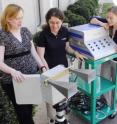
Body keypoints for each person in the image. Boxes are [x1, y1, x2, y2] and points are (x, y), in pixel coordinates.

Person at [36, 8, 85, 123]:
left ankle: (61, 118)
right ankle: (52, 119)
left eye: (57, 22)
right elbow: (40, 56)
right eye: (51, 22)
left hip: (63, 68)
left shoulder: (64, 31)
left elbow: (66, 47)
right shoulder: (42, 35)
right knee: (51, 97)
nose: (55, 25)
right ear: (47, 22)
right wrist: (48, 73)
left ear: (62, 21)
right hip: (49, 69)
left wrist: (76, 53)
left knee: (62, 96)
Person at [0, 4, 46, 124]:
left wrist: (42, 66)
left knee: (29, 108)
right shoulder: (2, 35)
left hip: (30, 77)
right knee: (22, 112)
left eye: (22, 17)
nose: (21, 21)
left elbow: (34, 53)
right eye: (17, 18)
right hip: (14, 81)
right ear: (9, 18)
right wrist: (13, 71)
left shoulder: (25, 31)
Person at [90, 6, 117, 112]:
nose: (108, 20)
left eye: (111, 18)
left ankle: (113, 108)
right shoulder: (108, 22)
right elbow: (92, 19)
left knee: (113, 84)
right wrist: (102, 24)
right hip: (106, 59)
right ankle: (105, 102)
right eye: (107, 17)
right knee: (104, 81)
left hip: (116, 61)